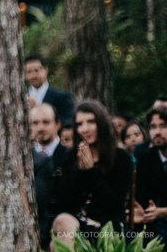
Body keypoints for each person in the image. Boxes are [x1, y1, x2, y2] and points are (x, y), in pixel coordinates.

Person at [51, 100, 134, 244]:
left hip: (108, 228)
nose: (85, 129)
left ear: (102, 123)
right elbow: (64, 204)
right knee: (62, 222)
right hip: (76, 225)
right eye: (79, 124)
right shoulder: (70, 158)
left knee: (56, 245)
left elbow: (113, 204)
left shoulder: (122, 159)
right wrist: (79, 171)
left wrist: (91, 171)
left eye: (91, 122)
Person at [133, 107, 167, 242]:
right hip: (152, 224)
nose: (157, 132)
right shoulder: (143, 154)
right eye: (153, 127)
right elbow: (140, 191)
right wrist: (140, 210)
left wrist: (161, 211)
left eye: (163, 126)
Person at [24, 55, 74, 127]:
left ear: (46, 70)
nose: (33, 76)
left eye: (36, 70)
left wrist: (38, 108)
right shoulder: (21, 98)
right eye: (29, 72)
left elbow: (68, 122)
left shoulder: (62, 97)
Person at [30, 103, 70, 169]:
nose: (40, 128)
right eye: (35, 123)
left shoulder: (69, 155)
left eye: (46, 122)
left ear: (57, 125)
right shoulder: (28, 156)